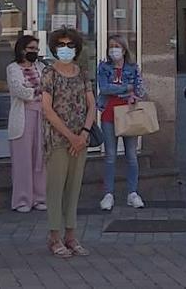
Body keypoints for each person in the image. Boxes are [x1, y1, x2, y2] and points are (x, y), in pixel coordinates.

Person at [41, 28, 97, 259]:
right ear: (54, 48)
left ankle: (71, 236)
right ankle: (54, 237)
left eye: (70, 45)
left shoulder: (82, 73)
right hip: (57, 139)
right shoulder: (49, 73)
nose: (66, 49)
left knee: (74, 188)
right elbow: (47, 109)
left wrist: (83, 133)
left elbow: (91, 105)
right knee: (56, 188)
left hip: (80, 139)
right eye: (61, 45)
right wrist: (70, 136)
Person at [96, 34, 146, 211]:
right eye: (111, 46)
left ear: (124, 49)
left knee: (131, 155)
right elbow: (104, 88)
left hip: (129, 114)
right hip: (109, 114)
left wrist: (132, 94)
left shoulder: (133, 68)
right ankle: (108, 194)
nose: (113, 50)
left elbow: (140, 88)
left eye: (117, 46)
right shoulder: (104, 67)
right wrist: (126, 88)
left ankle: (132, 193)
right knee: (110, 156)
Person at [7, 34, 47, 214]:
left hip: (42, 116)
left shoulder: (42, 67)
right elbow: (19, 90)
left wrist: (37, 91)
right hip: (23, 116)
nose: (34, 52)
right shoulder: (13, 68)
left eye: (36, 49)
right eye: (31, 48)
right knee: (22, 159)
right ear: (22, 49)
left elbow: (50, 88)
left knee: (40, 158)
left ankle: (40, 197)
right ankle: (22, 199)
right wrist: (37, 91)